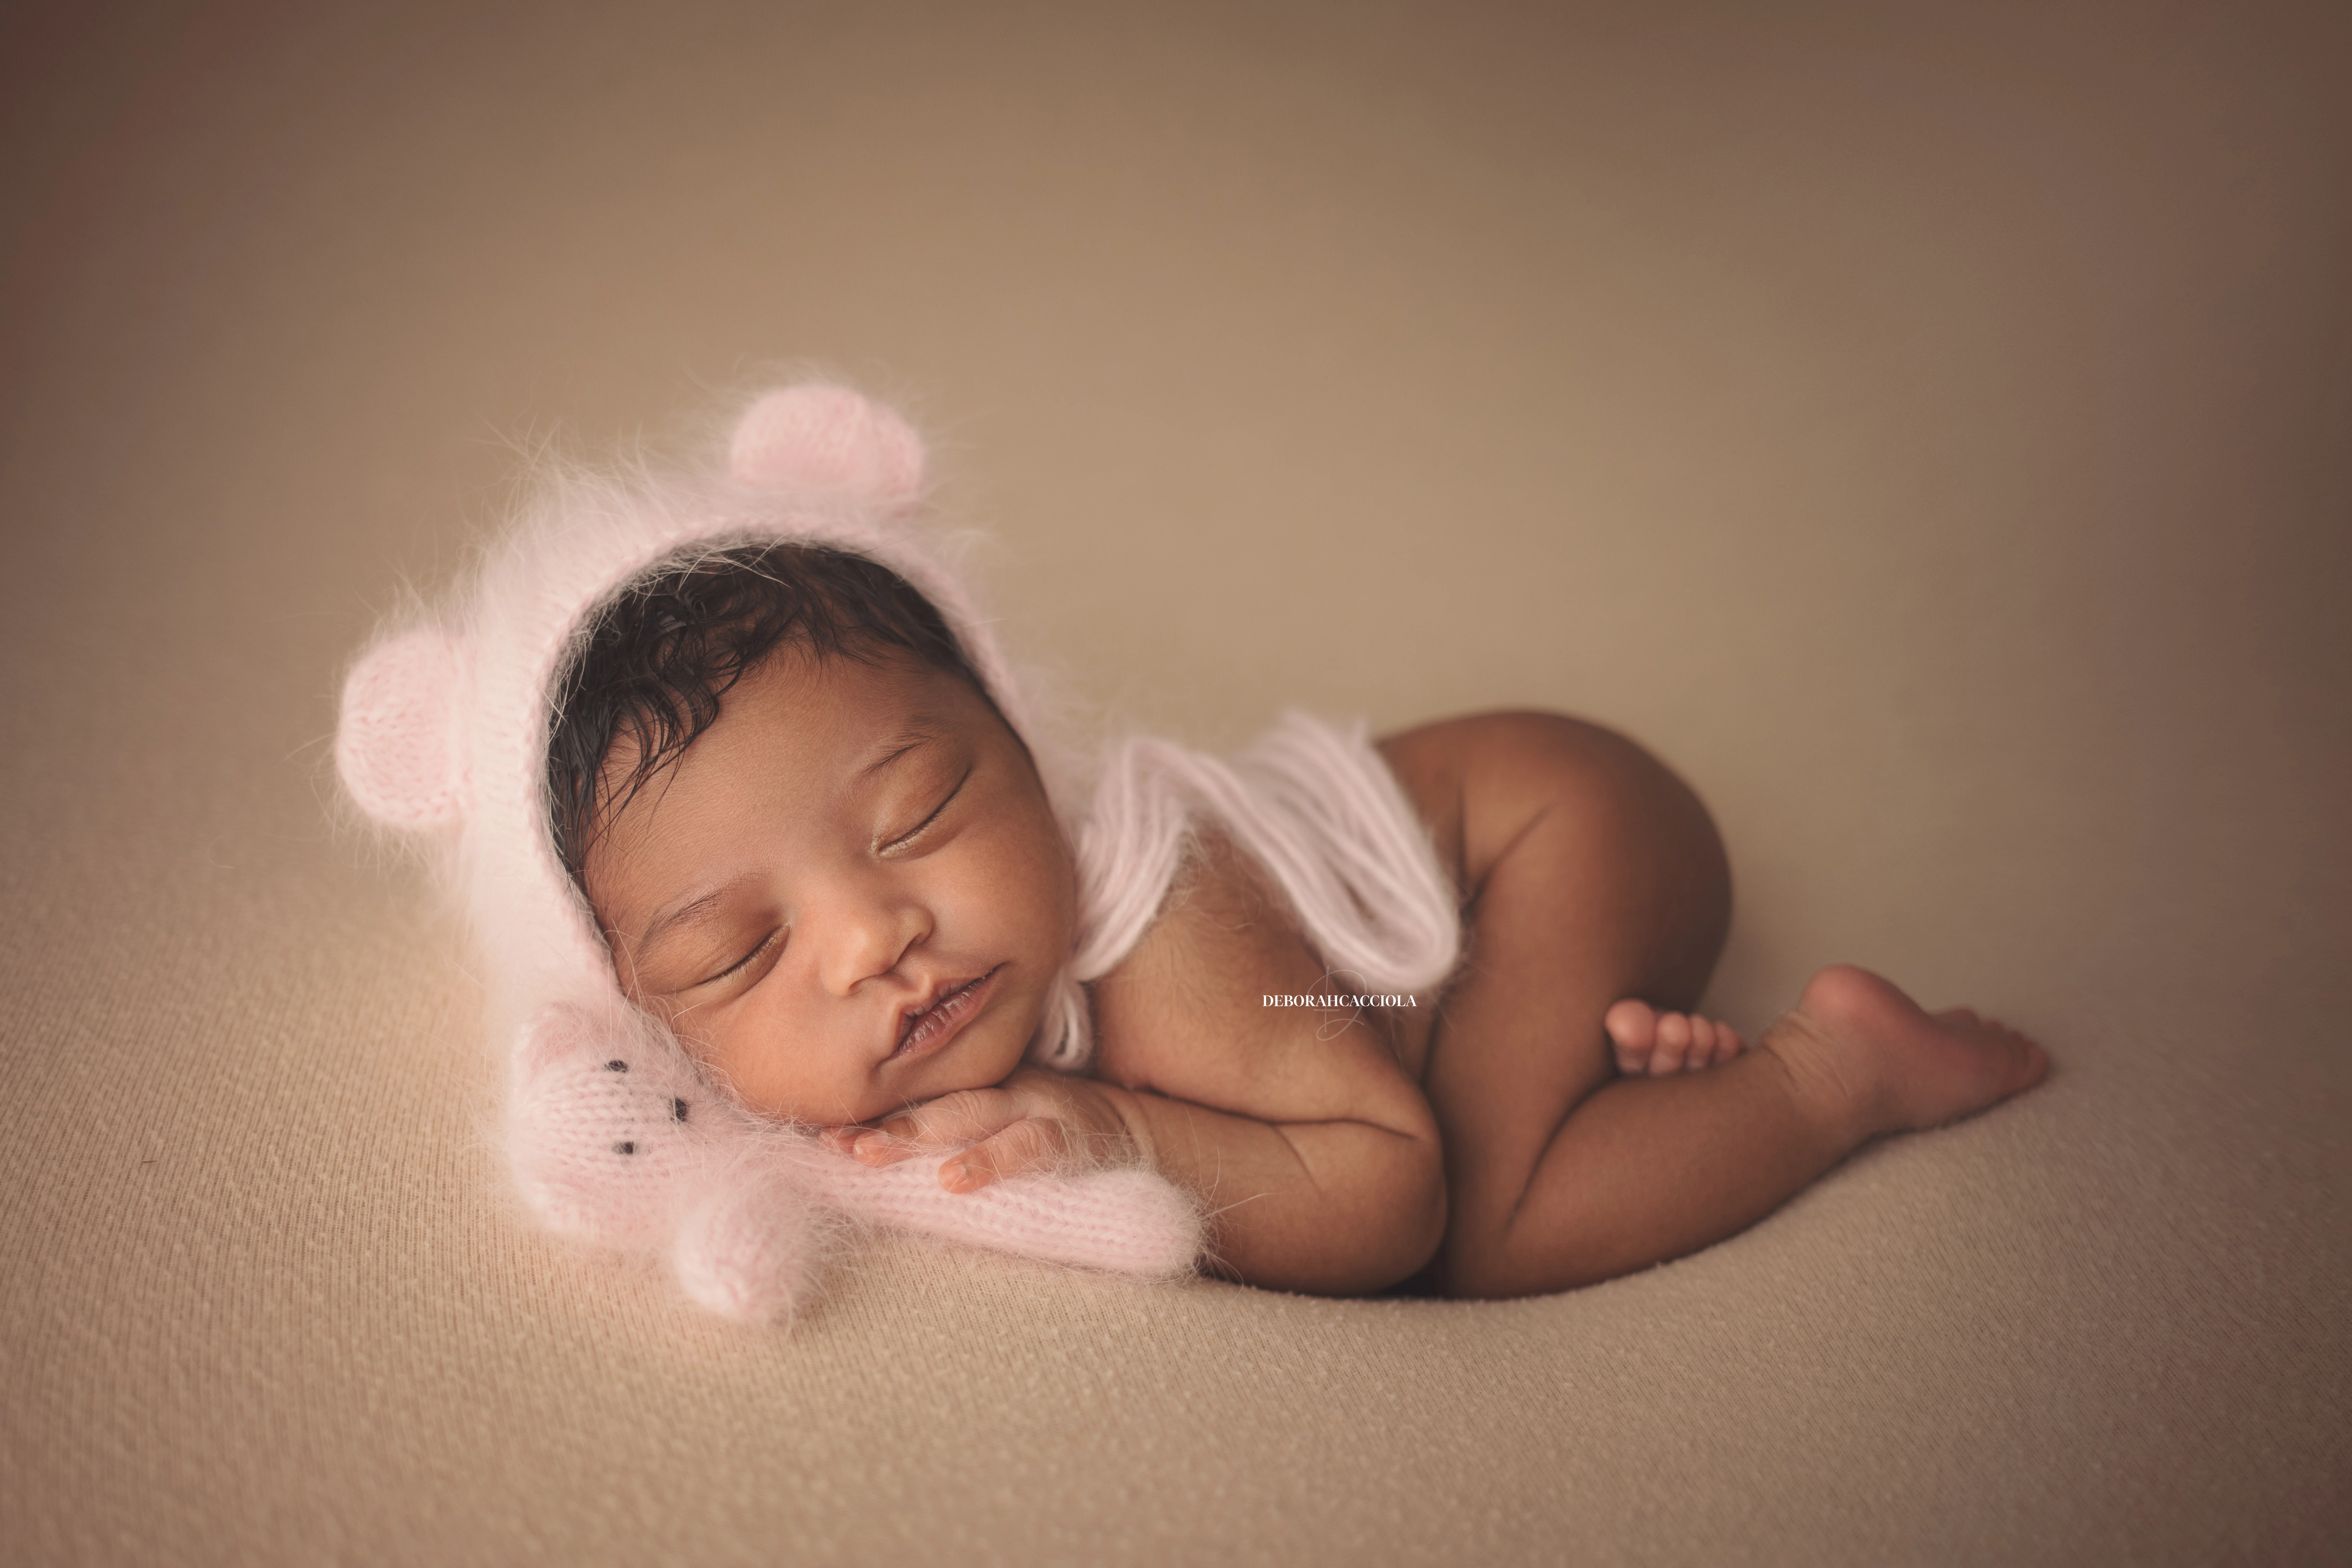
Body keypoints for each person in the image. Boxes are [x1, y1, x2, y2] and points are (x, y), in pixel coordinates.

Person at [557, 534, 2049, 1302]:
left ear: (1026, 752)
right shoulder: (876, 1003)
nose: (870, 934)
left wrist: (1126, 1133)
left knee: (1489, 1218)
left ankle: (1832, 1072)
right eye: (737, 954)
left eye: (921, 812)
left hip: (1559, 832)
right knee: (1451, 1074)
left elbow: (1386, 1190)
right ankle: (1589, 1056)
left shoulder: (1165, 942)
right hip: (1395, 963)